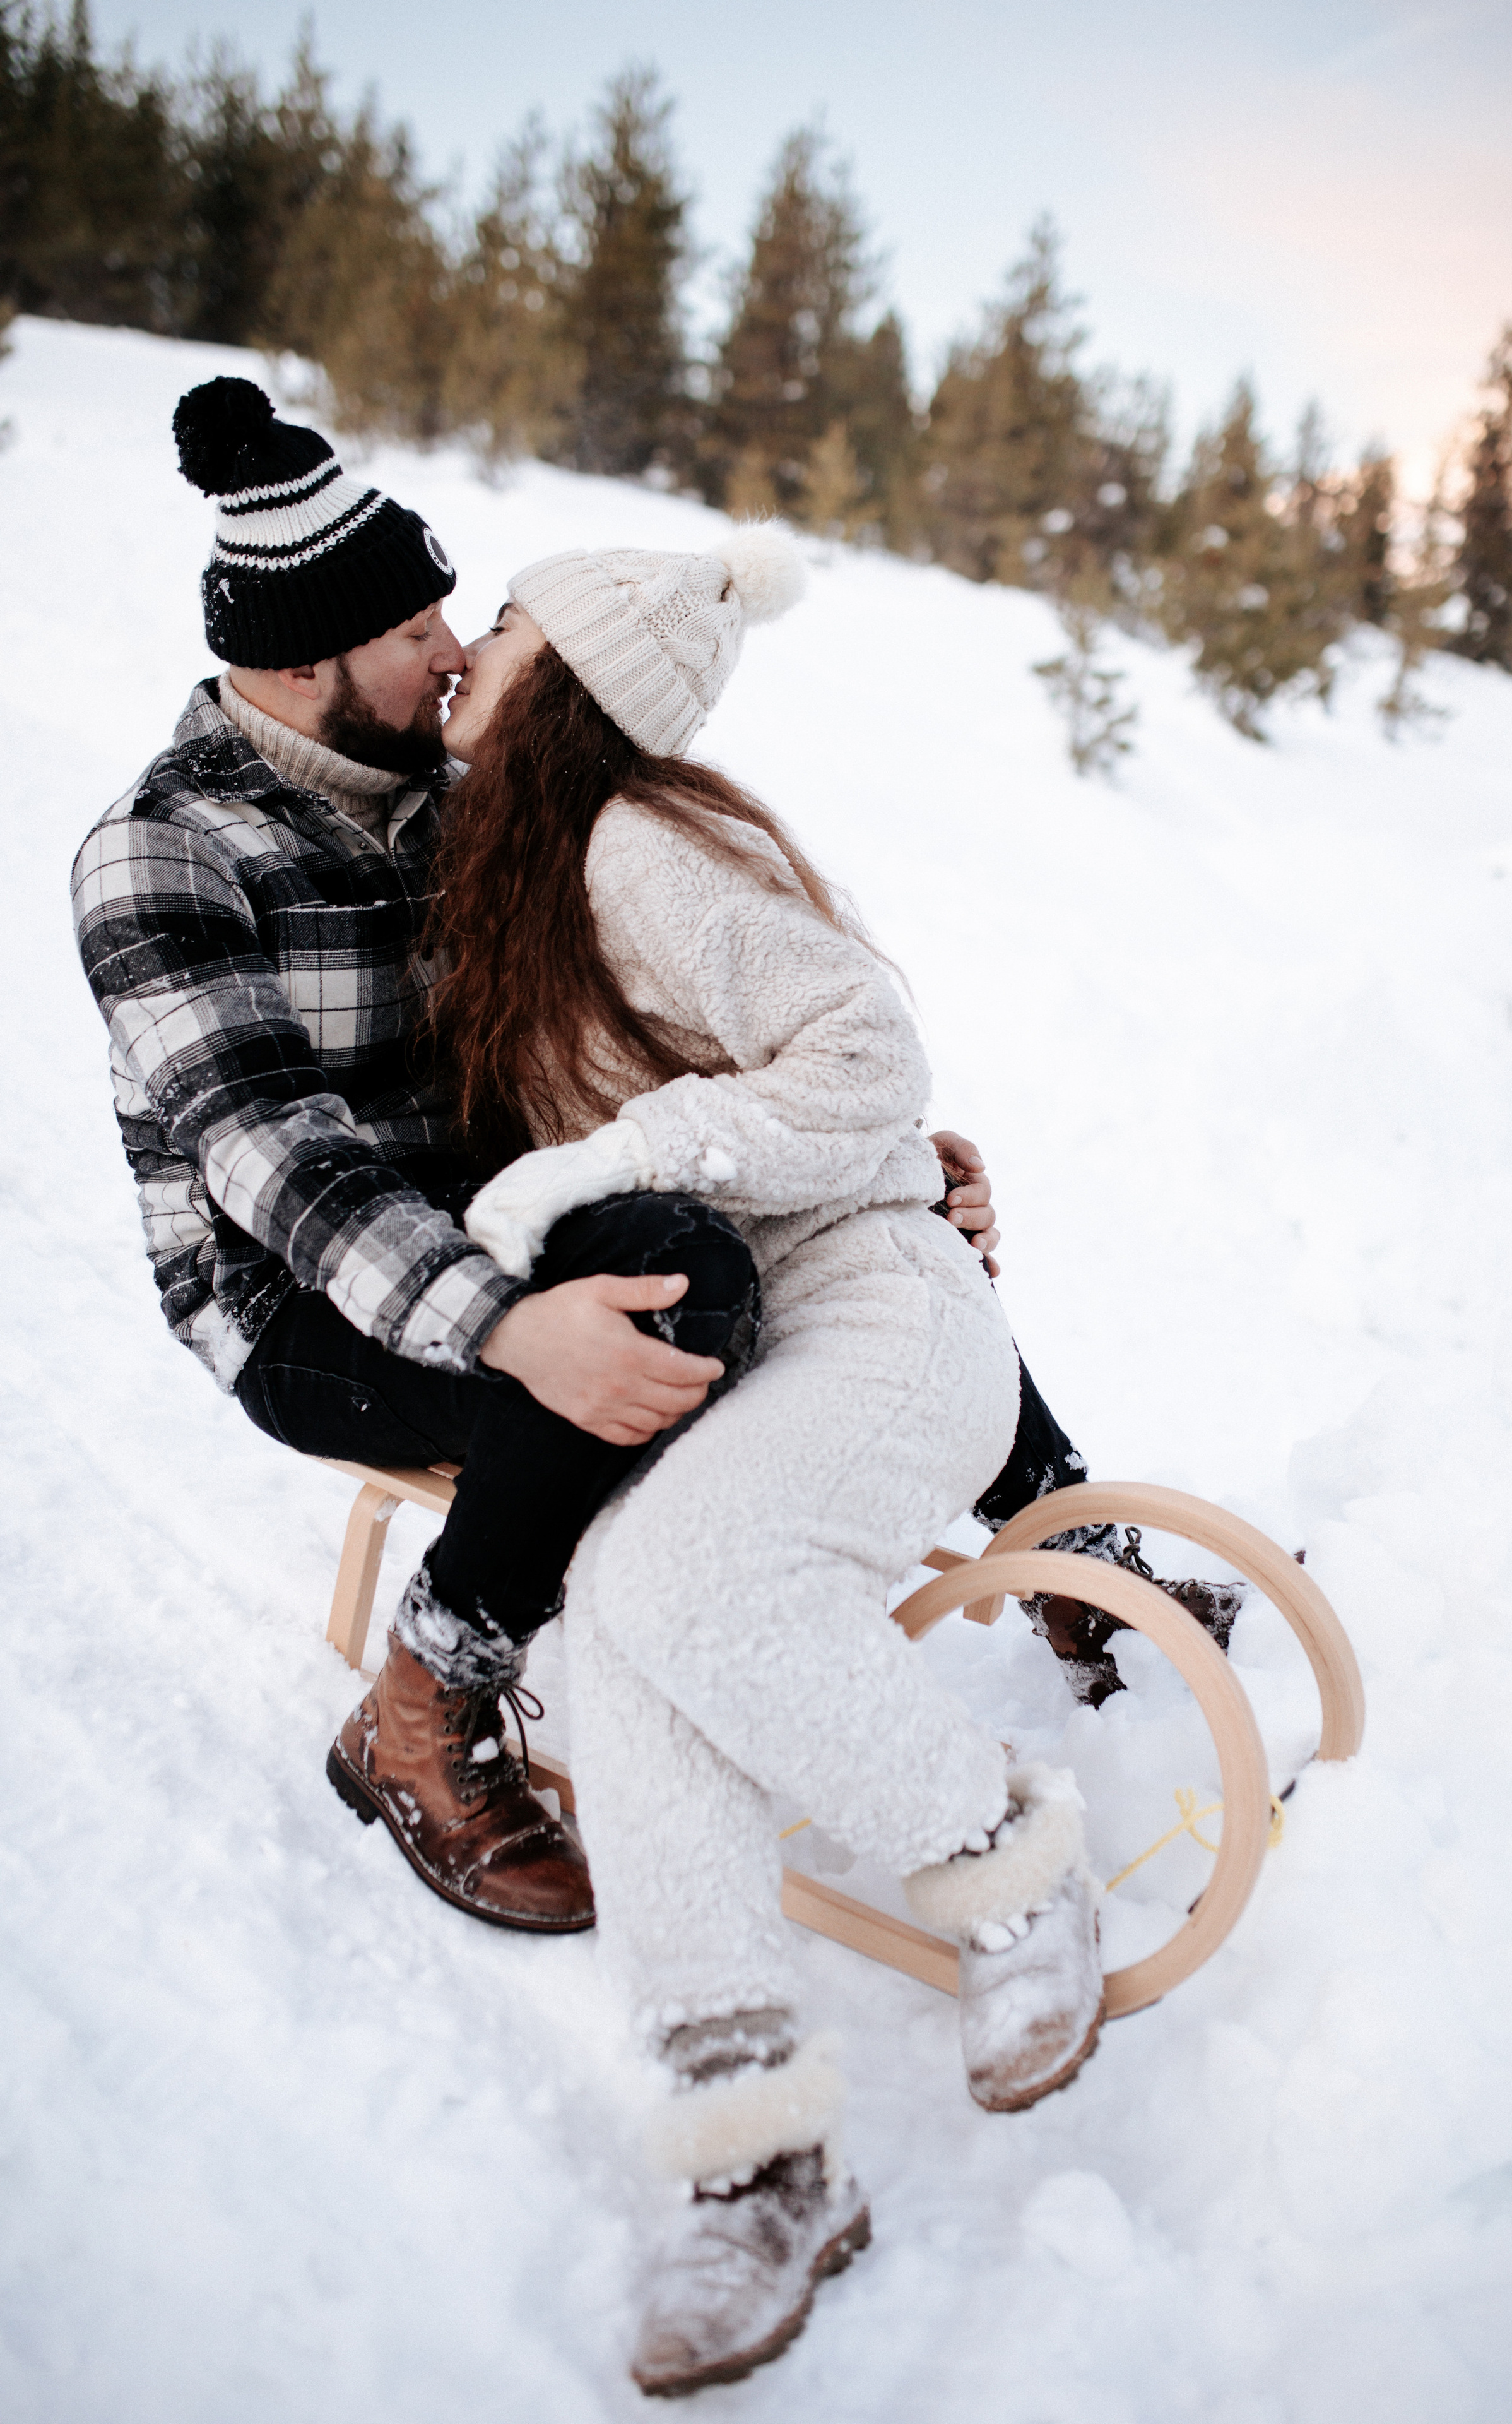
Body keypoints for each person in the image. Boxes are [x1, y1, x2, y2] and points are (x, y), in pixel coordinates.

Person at [69, 377, 1131, 1945]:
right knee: (679, 1271)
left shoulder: (461, 800)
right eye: (414, 628)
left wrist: (879, 1161)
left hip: (506, 1217)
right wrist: (507, 1327)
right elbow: (273, 1164)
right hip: (300, 1298)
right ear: (302, 662)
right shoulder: (161, 852)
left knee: (807, 1234)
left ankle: (1071, 1544)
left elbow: (640, 1038)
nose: (452, 651)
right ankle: (426, 1700)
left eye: (457, 619)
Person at [429, 531, 1112, 2396]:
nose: (473, 644)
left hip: (879, 1307)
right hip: (749, 1336)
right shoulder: (517, 864)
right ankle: (755, 2157)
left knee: (670, 1577)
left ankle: (1004, 1865)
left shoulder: (632, 844)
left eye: (508, 624)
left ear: (572, 681)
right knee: (622, 1614)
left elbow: (869, 1061)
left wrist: (617, 1158)